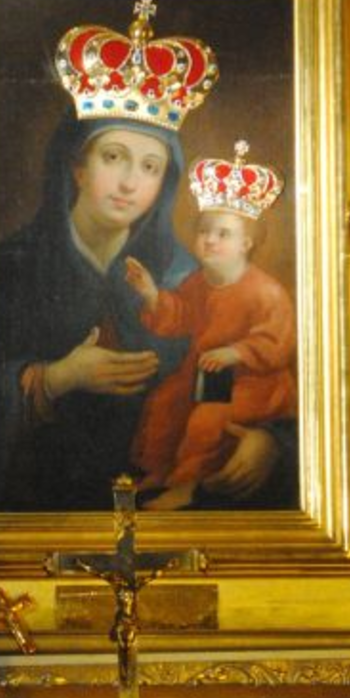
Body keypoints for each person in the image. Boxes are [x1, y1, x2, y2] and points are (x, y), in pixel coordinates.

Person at [0, 3, 294, 511]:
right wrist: (55, 378)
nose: (129, 183)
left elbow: (235, 383)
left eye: (149, 167)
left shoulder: (186, 276)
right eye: (113, 157)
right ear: (77, 167)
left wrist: (268, 443)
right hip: (39, 508)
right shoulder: (9, 268)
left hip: (160, 501)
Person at [124, 141, 295, 510]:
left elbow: (277, 343)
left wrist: (237, 352)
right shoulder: (199, 281)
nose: (210, 240)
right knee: (166, 403)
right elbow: (181, 314)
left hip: (253, 384)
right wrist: (153, 295)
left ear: (246, 243)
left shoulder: (266, 291)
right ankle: (159, 473)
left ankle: (187, 487)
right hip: (205, 373)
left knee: (206, 422)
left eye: (223, 234)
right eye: (205, 232)